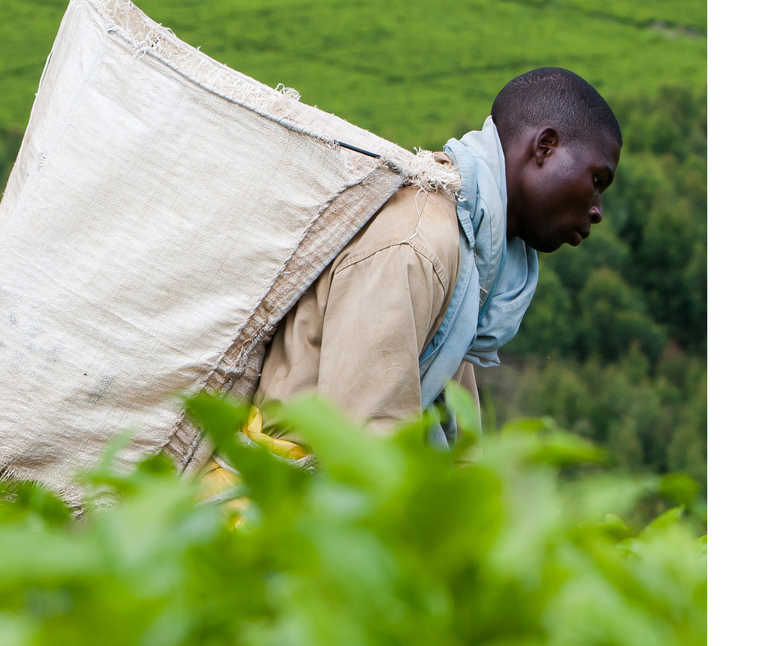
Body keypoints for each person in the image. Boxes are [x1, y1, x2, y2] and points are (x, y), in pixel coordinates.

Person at [207, 66, 622, 473]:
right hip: (280, 513)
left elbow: (460, 440)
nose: (597, 210)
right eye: (597, 180)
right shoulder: (419, 243)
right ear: (544, 147)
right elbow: (366, 447)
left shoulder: (467, 250)